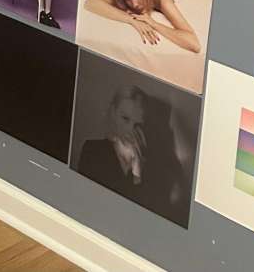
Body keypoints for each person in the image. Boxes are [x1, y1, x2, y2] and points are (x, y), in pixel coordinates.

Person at [76, 86, 187, 219]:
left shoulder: (155, 167)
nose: (130, 129)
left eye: (138, 124)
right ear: (113, 112)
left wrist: (138, 171)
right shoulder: (92, 151)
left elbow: (146, 216)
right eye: (125, 119)